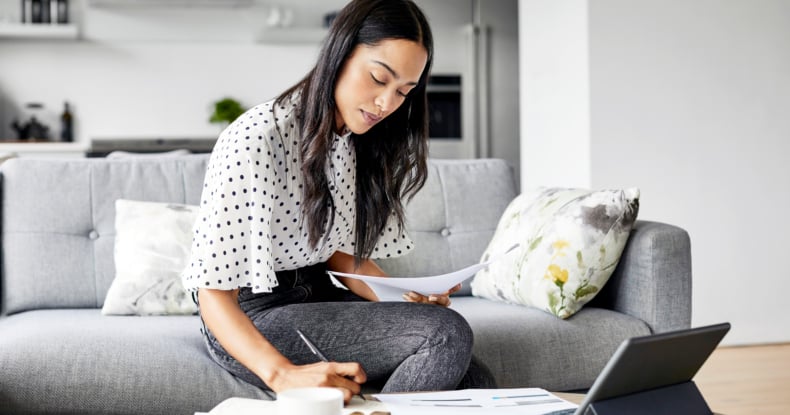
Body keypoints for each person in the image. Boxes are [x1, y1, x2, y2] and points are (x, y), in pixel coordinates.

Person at [182, 0, 495, 403]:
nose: (387, 104)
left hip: (316, 297)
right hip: (249, 318)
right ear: (340, 54)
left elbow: (341, 258)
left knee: (474, 377)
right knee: (446, 334)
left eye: (403, 91)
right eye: (379, 78)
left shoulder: (354, 141)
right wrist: (282, 375)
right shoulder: (258, 137)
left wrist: (408, 296)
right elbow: (213, 292)